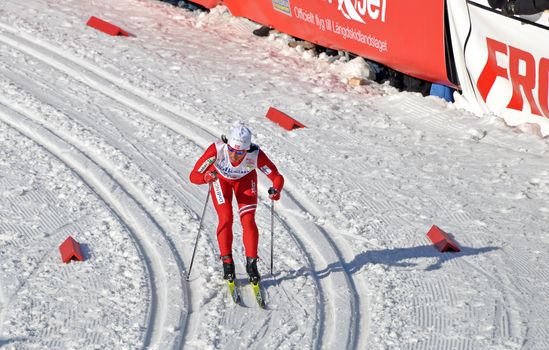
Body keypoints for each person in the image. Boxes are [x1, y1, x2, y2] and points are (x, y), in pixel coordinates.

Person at [189, 123, 284, 283]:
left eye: (240, 152)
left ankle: (252, 264)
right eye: (232, 150)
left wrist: (276, 189)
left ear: (246, 149)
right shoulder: (217, 150)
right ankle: (227, 264)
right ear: (228, 145)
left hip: (245, 182)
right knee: (226, 218)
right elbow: (194, 176)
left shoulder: (256, 155)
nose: (234, 155)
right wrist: (206, 178)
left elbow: (276, 176)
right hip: (221, 181)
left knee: (248, 220)